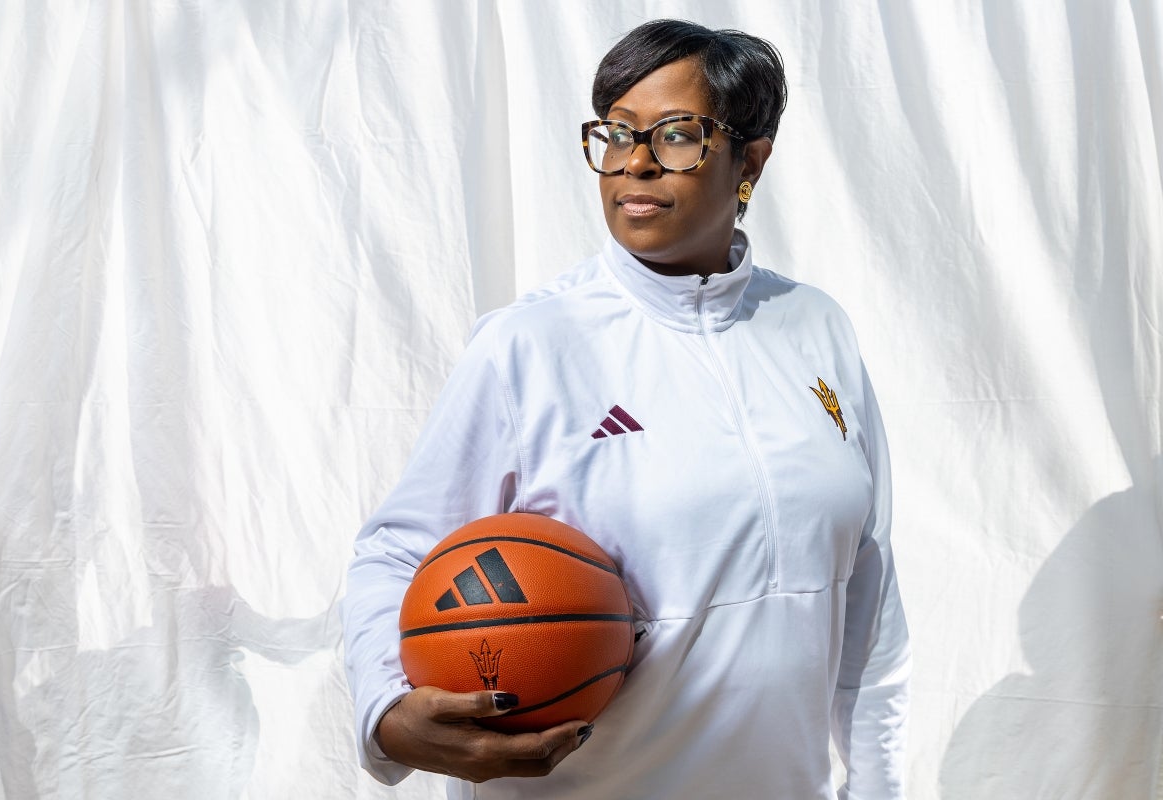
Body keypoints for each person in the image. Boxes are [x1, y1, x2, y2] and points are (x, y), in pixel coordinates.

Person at [343, 19, 910, 799]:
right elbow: (398, 552)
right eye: (615, 133)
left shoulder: (817, 328)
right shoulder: (532, 343)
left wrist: (877, 787)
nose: (634, 162)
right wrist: (387, 710)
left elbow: (867, 584)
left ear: (750, 159)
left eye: (677, 135)